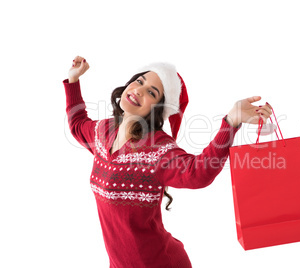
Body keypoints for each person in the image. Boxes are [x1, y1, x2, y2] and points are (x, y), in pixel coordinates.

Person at [63, 55, 272, 268]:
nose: (139, 90)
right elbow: (78, 124)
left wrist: (230, 123)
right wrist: (73, 81)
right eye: (140, 81)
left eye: (152, 92)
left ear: (158, 109)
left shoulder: (156, 147)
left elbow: (199, 172)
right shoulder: (103, 132)